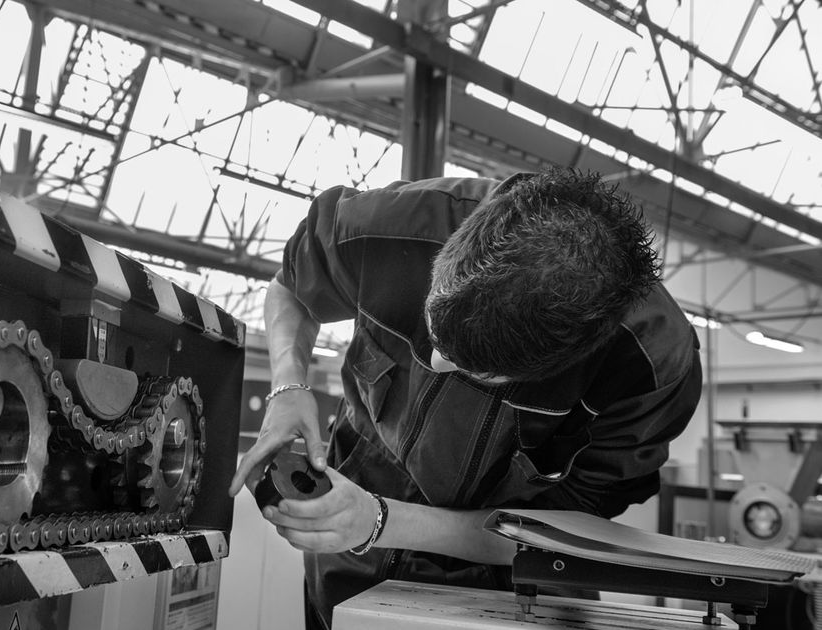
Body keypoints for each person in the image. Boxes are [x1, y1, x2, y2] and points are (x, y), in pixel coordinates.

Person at [227, 167, 703, 629]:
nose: (433, 363)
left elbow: (567, 534)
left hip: (513, 596)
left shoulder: (650, 369)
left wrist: (381, 520)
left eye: (473, 369)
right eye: (432, 332)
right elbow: (289, 286)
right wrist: (288, 387)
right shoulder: (393, 227)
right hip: (346, 568)